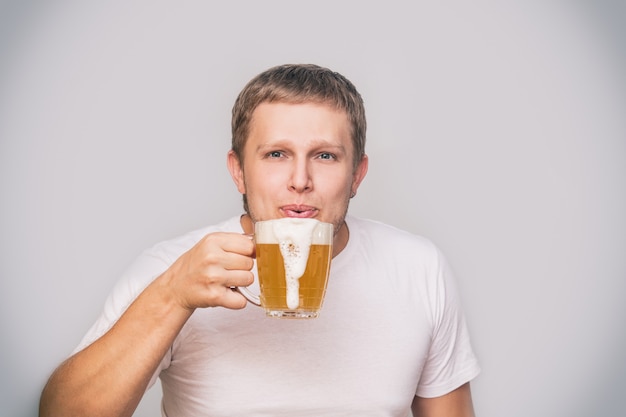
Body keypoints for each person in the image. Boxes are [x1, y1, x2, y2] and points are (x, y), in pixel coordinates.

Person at [39, 63, 480, 417]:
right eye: (276, 154)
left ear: (357, 174)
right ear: (238, 171)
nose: (300, 181)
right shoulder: (174, 268)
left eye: (325, 156)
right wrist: (172, 297)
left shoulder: (418, 267)